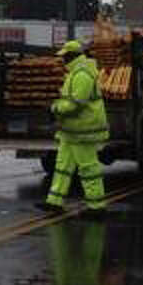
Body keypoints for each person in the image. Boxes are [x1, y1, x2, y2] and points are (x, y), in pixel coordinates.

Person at [37, 39, 109, 217]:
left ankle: (96, 207)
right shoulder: (74, 73)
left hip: (82, 130)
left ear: (73, 56)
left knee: (88, 168)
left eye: (65, 56)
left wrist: (55, 108)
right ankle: (54, 202)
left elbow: (75, 103)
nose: (63, 60)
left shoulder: (82, 75)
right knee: (62, 167)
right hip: (70, 131)